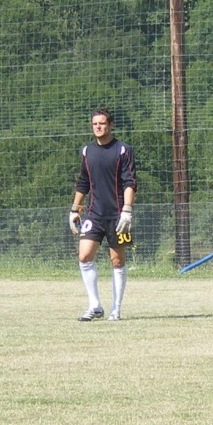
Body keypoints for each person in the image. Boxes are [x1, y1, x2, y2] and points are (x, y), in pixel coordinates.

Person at [69, 108, 136, 321]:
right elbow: (83, 182)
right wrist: (74, 209)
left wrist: (127, 210)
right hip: (93, 214)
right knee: (84, 256)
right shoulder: (87, 152)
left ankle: (115, 308)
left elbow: (130, 182)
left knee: (117, 261)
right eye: (95, 124)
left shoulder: (123, 150)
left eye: (102, 123)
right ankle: (95, 306)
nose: (98, 127)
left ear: (110, 125)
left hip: (118, 216)